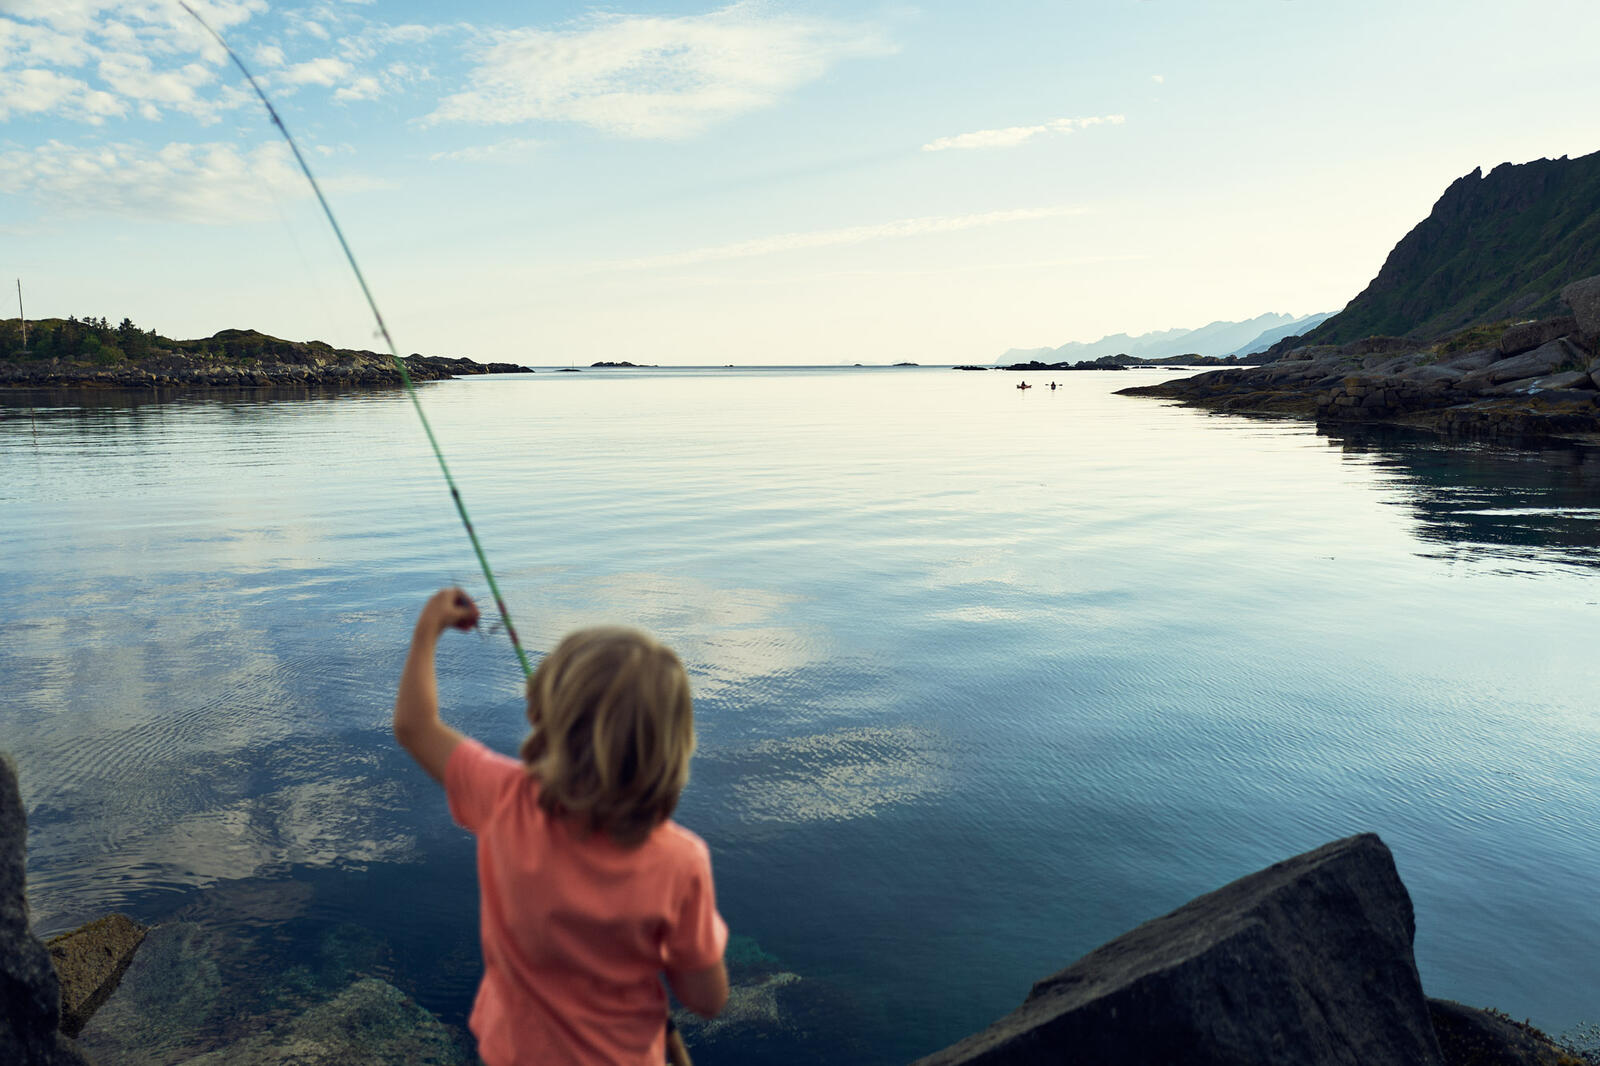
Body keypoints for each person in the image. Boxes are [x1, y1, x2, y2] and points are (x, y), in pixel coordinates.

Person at [395, 587, 729, 1065]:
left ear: (545, 717)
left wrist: (428, 629)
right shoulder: (681, 860)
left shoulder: (504, 797)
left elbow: (415, 725)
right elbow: (707, 999)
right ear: (672, 745)